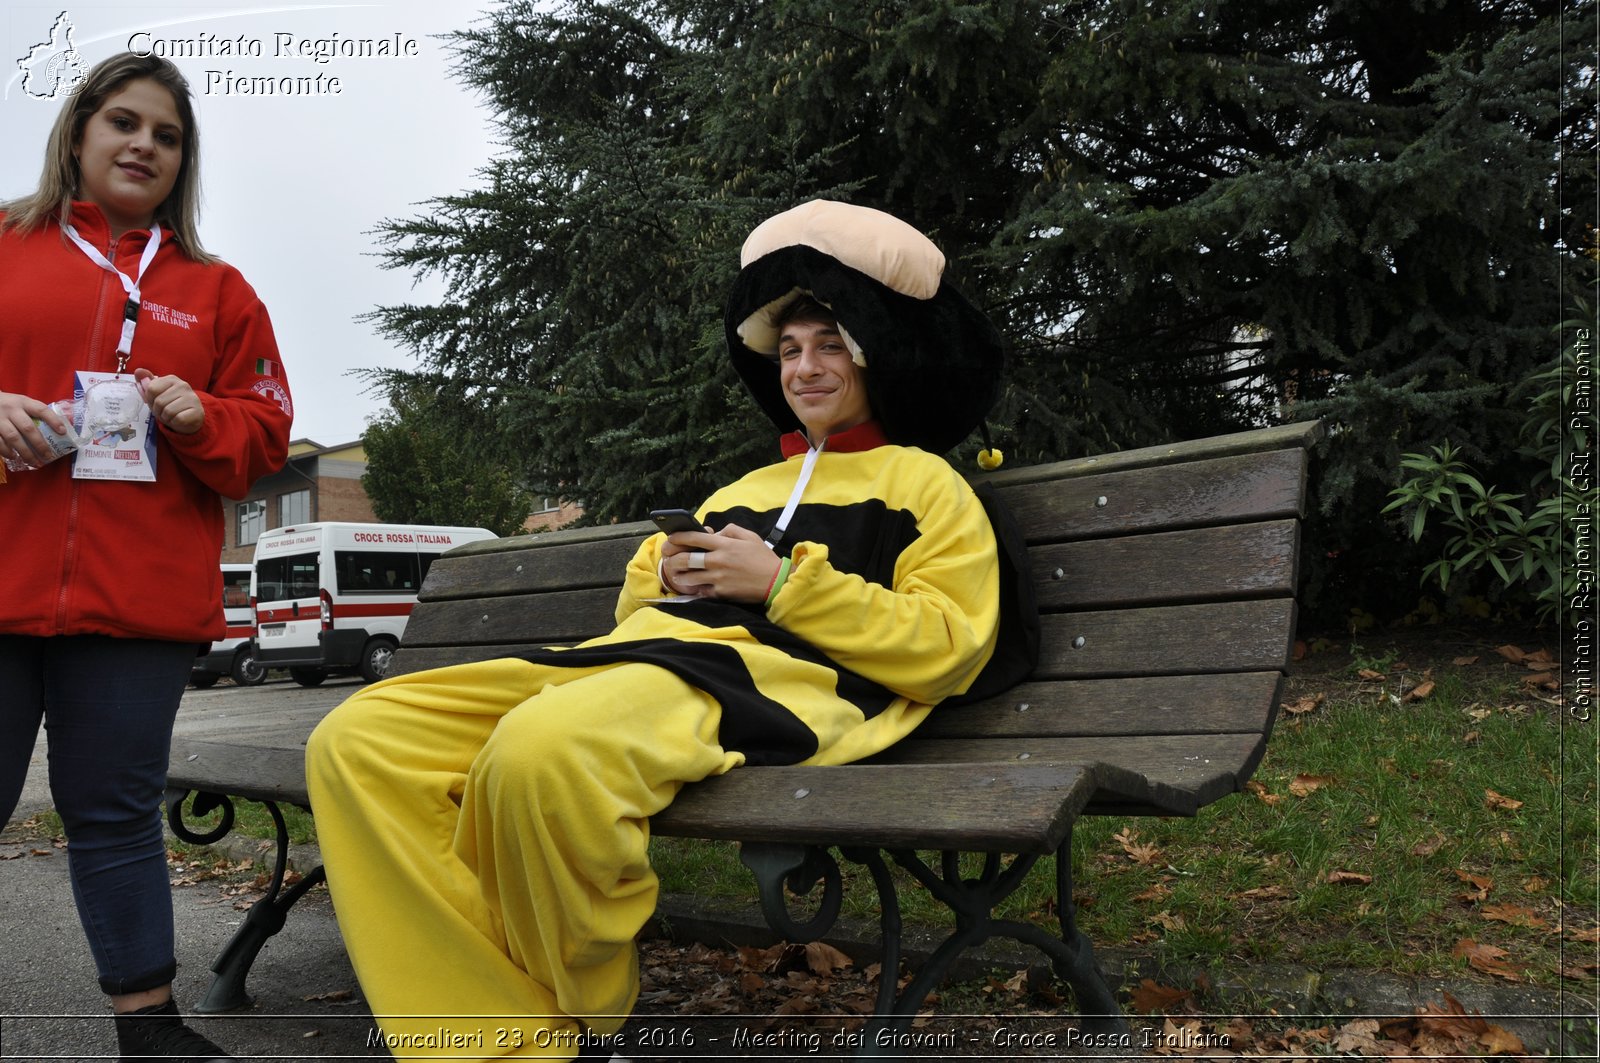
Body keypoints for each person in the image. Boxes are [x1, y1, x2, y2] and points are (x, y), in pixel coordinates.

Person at [305, 199, 1011, 1061]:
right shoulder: (737, 487)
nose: (805, 367)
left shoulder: (929, 485)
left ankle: (580, 1019)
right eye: (789, 350)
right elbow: (639, 611)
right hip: (639, 664)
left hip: (771, 690)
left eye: (830, 345)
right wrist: (667, 571)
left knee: (538, 755)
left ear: (876, 353)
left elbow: (948, 646)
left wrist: (785, 582)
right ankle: (493, 1028)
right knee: (356, 738)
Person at [0, 54, 293, 1062]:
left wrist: (202, 412)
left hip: (137, 608)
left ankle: (151, 1030)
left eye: (166, 136)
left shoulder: (218, 291)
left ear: (183, 160)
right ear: (79, 133)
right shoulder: (5, 242)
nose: (143, 146)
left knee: (115, 810)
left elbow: (262, 437)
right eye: (124, 123)